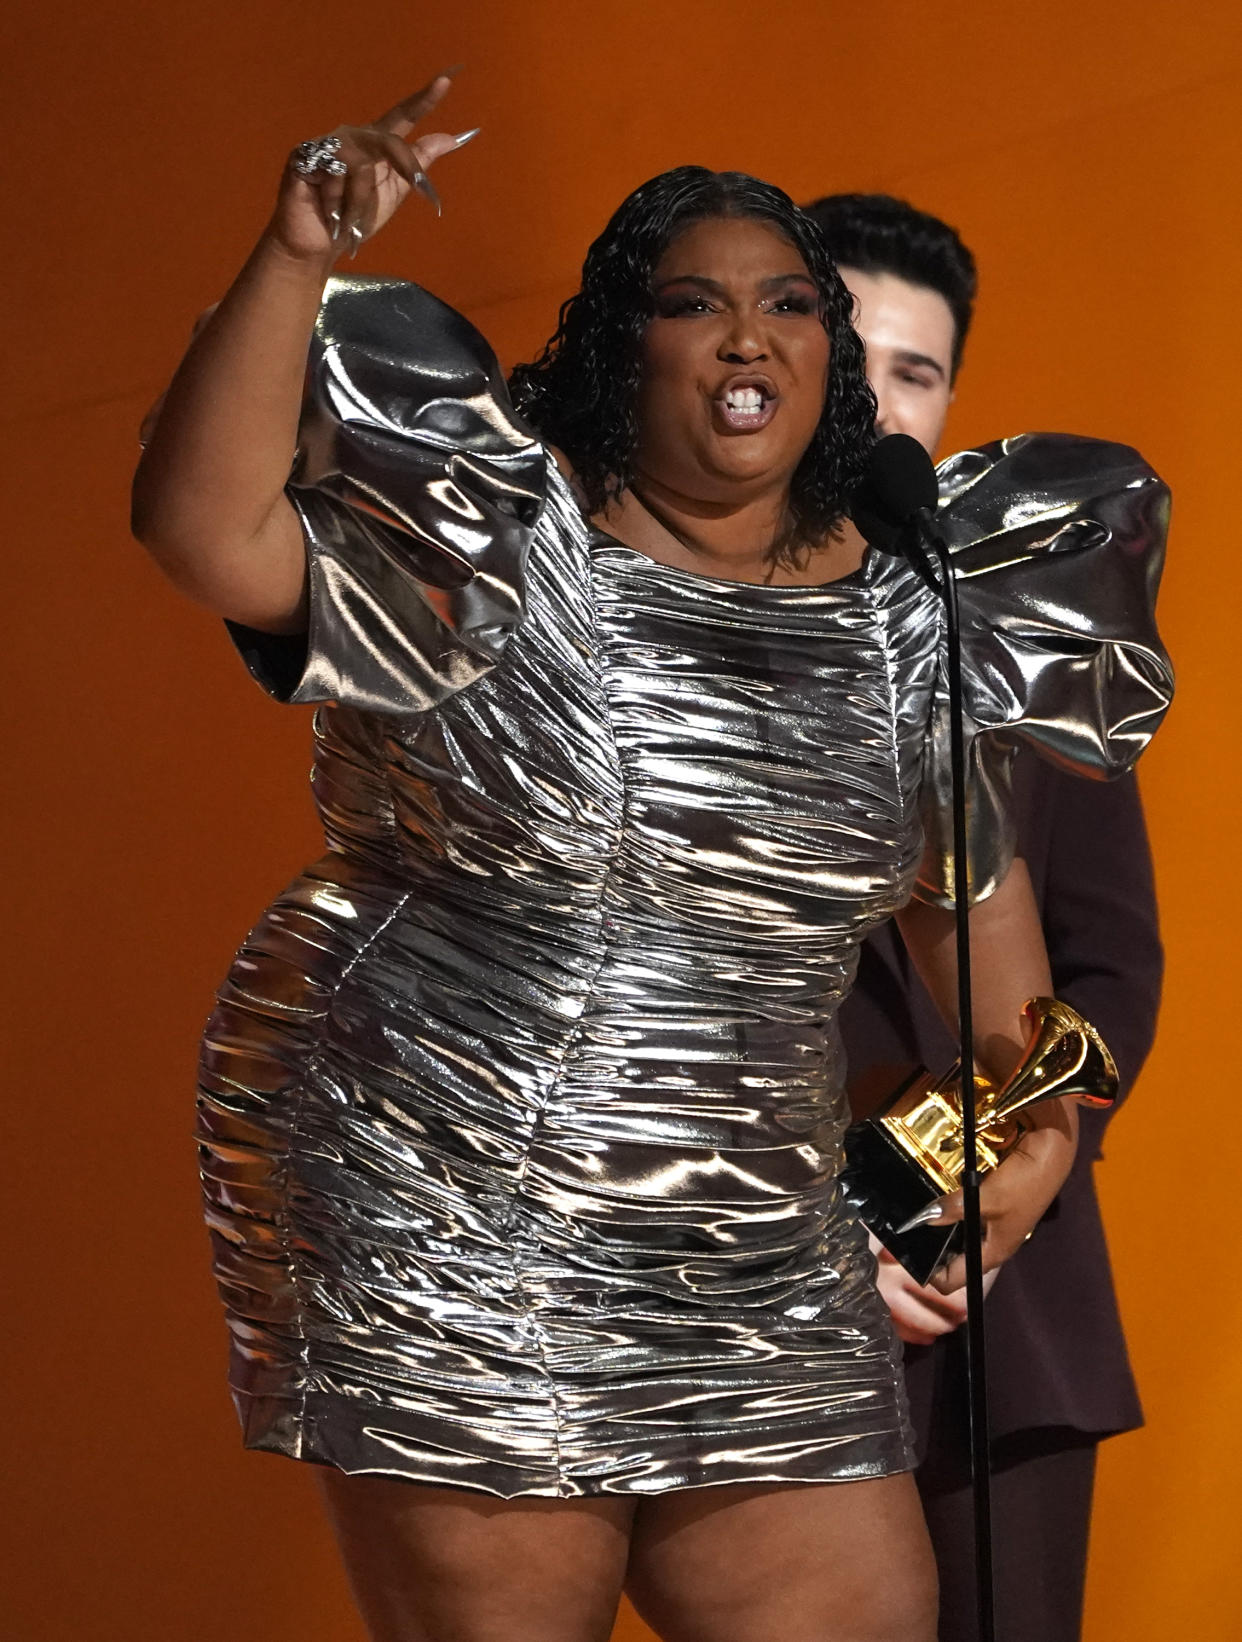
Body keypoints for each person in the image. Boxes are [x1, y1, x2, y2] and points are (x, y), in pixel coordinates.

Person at [131, 73, 1171, 1642]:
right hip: (456, 1186)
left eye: (787, 304)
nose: (749, 336)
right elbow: (201, 528)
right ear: (627, 348)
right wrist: (295, 257)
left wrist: (1013, 1162)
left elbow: (994, 969)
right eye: (695, 303)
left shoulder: (906, 622)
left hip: (758, 1234)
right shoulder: (494, 538)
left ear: (827, 353)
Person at [804, 190, 1164, 1641]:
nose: (880, 405)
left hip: (996, 1300)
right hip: (761, 1292)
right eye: (847, 355)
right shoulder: (647, 621)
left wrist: (1022, 1170)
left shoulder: (1026, 634)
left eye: (917, 372)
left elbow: (1110, 957)